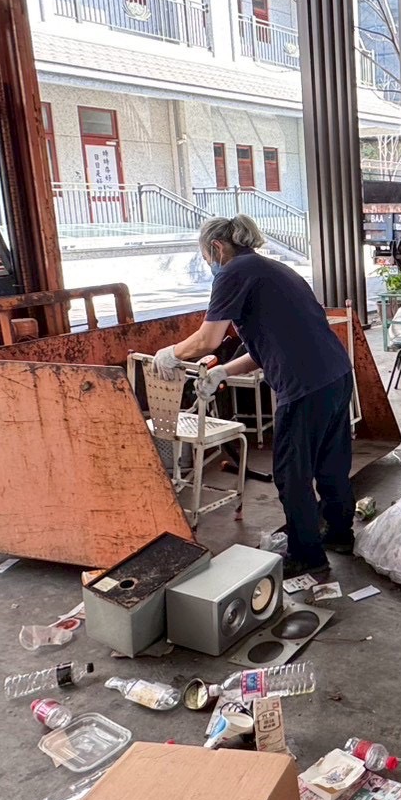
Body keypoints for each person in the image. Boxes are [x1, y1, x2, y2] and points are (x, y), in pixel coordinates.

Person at [153, 215, 354, 576]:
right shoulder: (274, 270)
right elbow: (267, 347)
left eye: (205, 257)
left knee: (291, 474)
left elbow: (207, 340)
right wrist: (223, 371)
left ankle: (307, 555)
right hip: (336, 376)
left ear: (216, 248)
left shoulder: (233, 272)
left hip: (304, 386)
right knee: (331, 464)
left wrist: (170, 354)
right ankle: (339, 533)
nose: (209, 265)